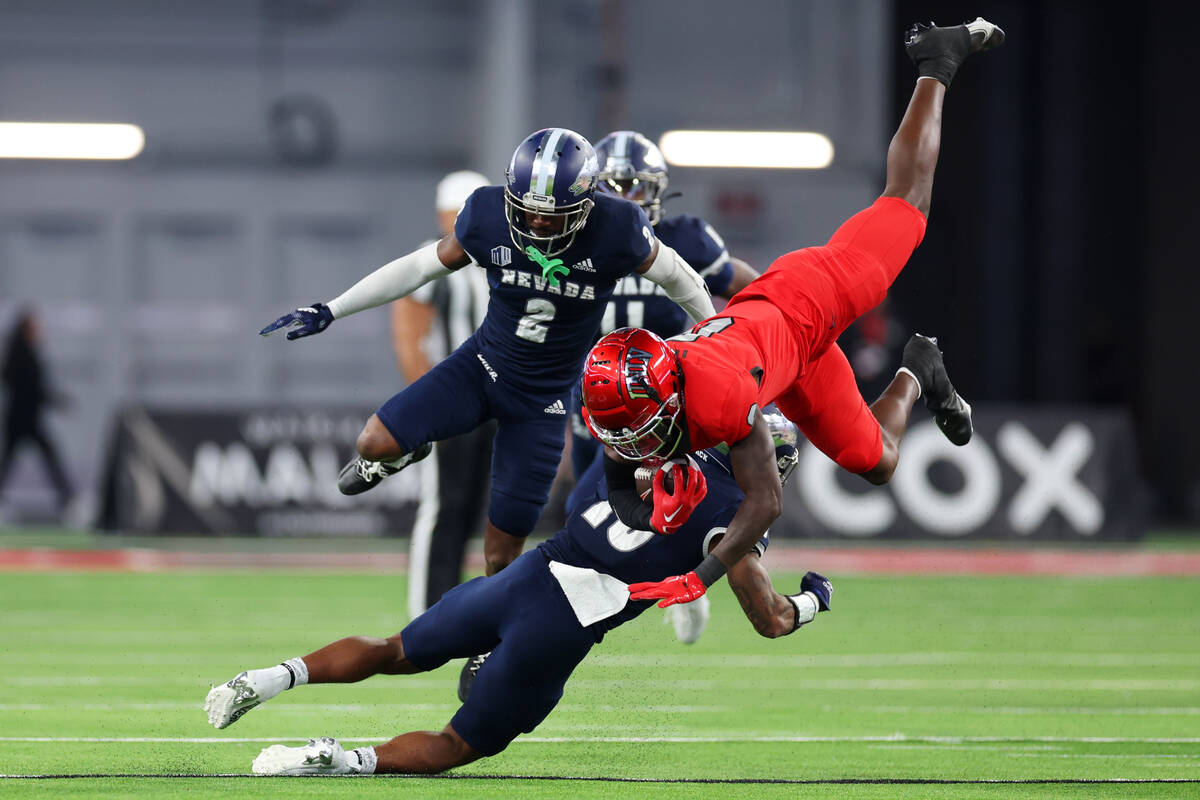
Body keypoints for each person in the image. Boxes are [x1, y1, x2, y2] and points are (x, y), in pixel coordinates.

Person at [581, 18, 1004, 609]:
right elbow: (618, 464)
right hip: (787, 358)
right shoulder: (635, 393)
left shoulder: (720, 397)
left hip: (806, 299)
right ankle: (920, 367)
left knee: (906, 205)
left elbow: (766, 502)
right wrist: (647, 516)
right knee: (876, 461)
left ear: (670, 394)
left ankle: (938, 61)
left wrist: (698, 577)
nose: (636, 438)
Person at [204, 415, 832, 776]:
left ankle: (269, 678)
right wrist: (813, 600)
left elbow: (600, 433)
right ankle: (338, 759)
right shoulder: (737, 514)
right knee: (457, 745)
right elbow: (770, 619)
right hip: (561, 627)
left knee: (395, 648)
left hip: (522, 579)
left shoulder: (646, 442)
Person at [260, 128, 715, 585]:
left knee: (500, 556)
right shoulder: (487, 213)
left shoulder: (617, 226)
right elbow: (419, 268)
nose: (536, 223)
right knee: (372, 442)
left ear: (585, 203)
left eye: (550, 215)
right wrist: (332, 309)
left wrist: (711, 334)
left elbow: (682, 279)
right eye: (528, 210)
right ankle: (398, 455)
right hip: (481, 368)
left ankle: (491, 649)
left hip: (544, 403)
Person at [567, 130, 760, 644]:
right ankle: (615, 601)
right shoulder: (573, 241)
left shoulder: (687, 239)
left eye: (638, 186)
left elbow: (755, 292)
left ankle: (687, 582)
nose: (630, 198)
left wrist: (751, 352)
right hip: (594, 398)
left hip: (666, 402)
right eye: (618, 186)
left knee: (678, 500)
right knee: (587, 513)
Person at [390, 170, 495, 620]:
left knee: (485, 509)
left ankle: (470, 609)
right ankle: (427, 612)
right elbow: (409, 335)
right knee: (444, 506)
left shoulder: (505, 259)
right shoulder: (432, 261)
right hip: (453, 401)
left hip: (501, 403)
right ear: (442, 214)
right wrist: (429, 405)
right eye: (459, 211)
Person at [0, 308, 73, 512]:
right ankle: (68, 497)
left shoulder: (19, 352)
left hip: (23, 417)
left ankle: (67, 496)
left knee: (13, 459)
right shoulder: (24, 354)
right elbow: (34, 389)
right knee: (46, 456)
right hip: (23, 418)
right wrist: (57, 401)